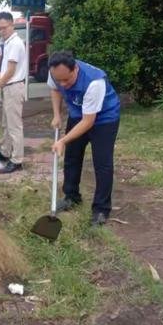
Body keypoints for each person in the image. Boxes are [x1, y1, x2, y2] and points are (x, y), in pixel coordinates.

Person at [48, 51, 120, 226]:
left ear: (76, 69)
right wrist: (57, 115)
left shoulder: (94, 82)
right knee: (72, 157)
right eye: (60, 80)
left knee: (102, 163)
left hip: (104, 118)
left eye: (67, 80)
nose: (63, 84)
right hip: (78, 113)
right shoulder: (55, 72)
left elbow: (88, 121)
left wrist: (63, 140)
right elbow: (55, 89)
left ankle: (101, 209)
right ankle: (72, 197)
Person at [0, 12, 26, 174]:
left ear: (11, 24)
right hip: (9, 87)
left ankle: (17, 160)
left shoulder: (15, 43)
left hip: (14, 87)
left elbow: (10, 71)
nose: (1, 31)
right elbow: (4, 71)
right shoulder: (7, 43)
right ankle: (6, 152)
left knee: (14, 125)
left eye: (4, 27)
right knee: (6, 123)